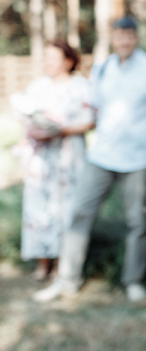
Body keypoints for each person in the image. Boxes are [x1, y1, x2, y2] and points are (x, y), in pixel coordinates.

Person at [34, 16, 146, 304]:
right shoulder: (102, 70)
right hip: (101, 155)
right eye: (119, 36)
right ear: (113, 38)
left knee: (138, 221)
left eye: (129, 36)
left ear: (136, 38)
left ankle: (133, 280)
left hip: (139, 158)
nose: (124, 41)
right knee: (79, 213)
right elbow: (96, 109)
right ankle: (67, 279)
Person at [12, 40, 94, 281]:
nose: (48, 62)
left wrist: (61, 129)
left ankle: (62, 263)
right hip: (42, 158)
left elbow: (89, 121)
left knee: (65, 211)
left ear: (68, 61)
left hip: (68, 157)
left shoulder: (81, 86)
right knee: (38, 209)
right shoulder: (38, 86)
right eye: (46, 57)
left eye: (53, 58)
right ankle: (42, 262)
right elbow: (26, 119)